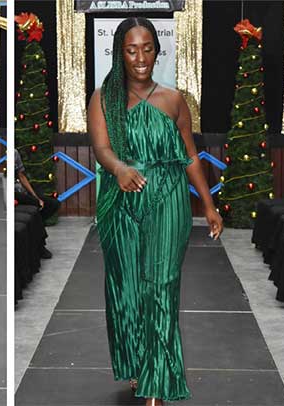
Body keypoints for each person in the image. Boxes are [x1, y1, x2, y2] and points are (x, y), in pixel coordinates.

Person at [87, 17, 223, 405]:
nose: (141, 57)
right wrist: (120, 169)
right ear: (120, 53)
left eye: (147, 48)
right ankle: (138, 364)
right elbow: (101, 148)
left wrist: (209, 205)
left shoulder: (173, 100)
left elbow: (190, 155)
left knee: (161, 287)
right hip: (120, 203)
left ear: (157, 52)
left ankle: (157, 385)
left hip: (167, 197)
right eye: (132, 50)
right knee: (127, 289)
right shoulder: (104, 98)